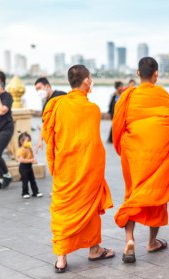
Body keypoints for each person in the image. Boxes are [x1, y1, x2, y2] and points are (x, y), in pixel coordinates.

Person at [42, 65, 114, 273]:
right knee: (90, 208)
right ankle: (94, 249)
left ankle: (62, 258)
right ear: (85, 82)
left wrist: (55, 164)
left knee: (63, 212)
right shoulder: (92, 110)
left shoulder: (58, 105)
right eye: (90, 78)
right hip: (86, 170)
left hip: (65, 170)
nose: (91, 81)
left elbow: (50, 139)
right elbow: (93, 145)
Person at [112, 57, 169, 263]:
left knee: (132, 193)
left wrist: (123, 145)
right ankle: (152, 242)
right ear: (156, 74)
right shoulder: (163, 95)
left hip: (133, 153)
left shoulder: (128, 96)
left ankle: (129, 241)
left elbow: (118, 126)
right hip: (158, 155)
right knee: (156, 195)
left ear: (137, 73)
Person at [34, 77, 66, 154]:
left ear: (47, 86)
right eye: (37, 90)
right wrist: (39, 141)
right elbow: (44, 124)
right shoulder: (45, 105)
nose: (38, 91)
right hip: (57, 139)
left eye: (39, 88)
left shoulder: (62, 95)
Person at [17, 132, 43, 199]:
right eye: (27, 141)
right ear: (21, 142)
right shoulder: (21, 150)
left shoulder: (29, 148)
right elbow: (21, 160)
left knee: (32, 180)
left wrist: (33, 160)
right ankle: (25, 193)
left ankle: (35, 192)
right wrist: (31, 160)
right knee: (25, 181)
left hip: (29, 167)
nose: (29, 142)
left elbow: (31, 157)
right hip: (23, 167)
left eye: (30, 141)